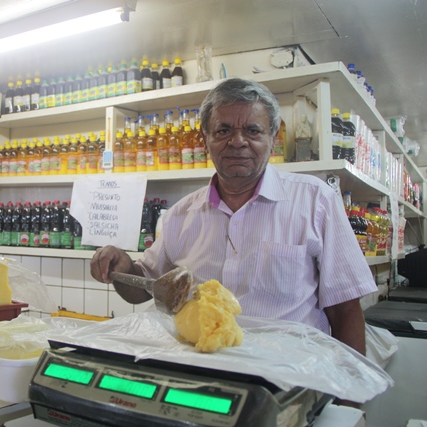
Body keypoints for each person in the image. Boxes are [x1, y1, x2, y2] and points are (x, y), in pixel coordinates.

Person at [90, 77, 377, 358]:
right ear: (205, 140)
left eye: (253, 131)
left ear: (273, 138)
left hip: (289, 377)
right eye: (223, 131)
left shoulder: (315, 201)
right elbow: (145, 286)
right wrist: (121, 264)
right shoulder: (181, 215)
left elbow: (345, 310)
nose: (237, 142)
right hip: (202, 373)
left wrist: (348, 402)